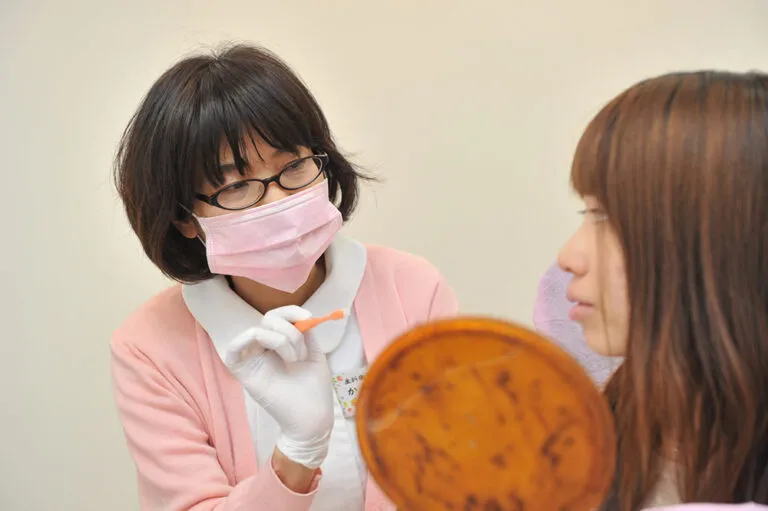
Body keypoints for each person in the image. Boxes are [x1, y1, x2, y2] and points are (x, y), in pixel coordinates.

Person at [110, 44, 457, 511]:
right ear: (183, 218)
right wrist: (298, 451)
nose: (276, 201)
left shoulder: (411, 289)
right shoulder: (150, 347)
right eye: (236, 185)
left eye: (293, 166)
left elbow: (463, 471)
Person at [557, 70, 768, 510]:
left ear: (721, 240)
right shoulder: (606, 430)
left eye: (604, 216)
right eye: (586, 211)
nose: (568, 257)